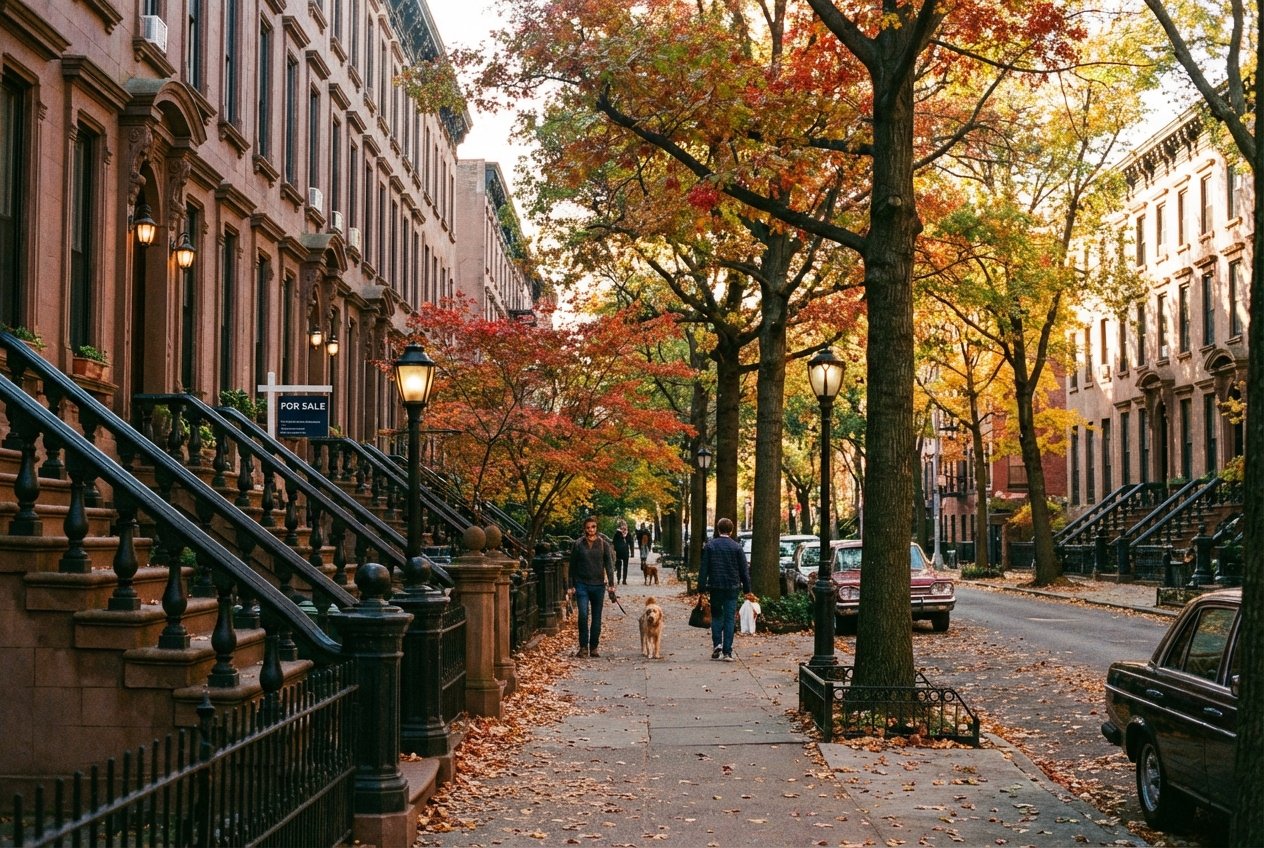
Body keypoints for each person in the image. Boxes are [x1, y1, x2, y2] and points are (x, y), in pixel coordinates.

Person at [697, 517, 751, 661]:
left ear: (718, 529)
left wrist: (701, 587)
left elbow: (704, 568)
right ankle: (727, 651)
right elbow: (744, 571)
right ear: (731, 531)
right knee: (729, 618)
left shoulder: (710, 546)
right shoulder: (737, 547)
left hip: (715, 586)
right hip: (732, 587)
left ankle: (717, 645)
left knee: (716, 616)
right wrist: (747, 590)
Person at [569, 517, 617, 657]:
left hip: (598, 586)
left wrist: (612, 585)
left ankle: (594, 647)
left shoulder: (603, 544)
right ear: (584, 529)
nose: (591, 529)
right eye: (588, 527)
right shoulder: (578, 544)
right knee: (583, 615)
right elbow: (572, 566)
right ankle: (583, 647)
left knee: (597, 617)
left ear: (597, 528)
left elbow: (609, 565)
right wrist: (570, 586)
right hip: (581, 584)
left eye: (593, 527)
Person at [612, 520, 634, 585]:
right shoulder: (619, 534)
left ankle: (622, 579)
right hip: (622, 551)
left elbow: (631, 543)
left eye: (624, 525)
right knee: (622, 566)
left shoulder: (618, 534)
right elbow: (631, 543)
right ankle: (621, 579)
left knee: (622, 566)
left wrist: (632, 552)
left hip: (621, 552)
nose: (624, 526)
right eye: (623, 525)